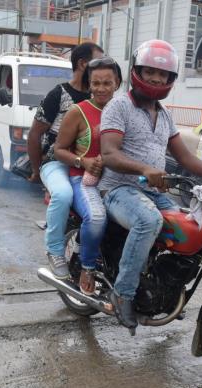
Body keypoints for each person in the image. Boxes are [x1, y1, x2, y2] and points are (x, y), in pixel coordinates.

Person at [99, 40, 202, 329]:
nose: (156, 78)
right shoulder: (119, 106)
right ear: (137, 71)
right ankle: (123, 293)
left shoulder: (165, 116)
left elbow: (185, 157)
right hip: (118, 190)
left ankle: (167, 290)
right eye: (150, 71)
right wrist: (144, 168)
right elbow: (109, 153)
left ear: (171, 79)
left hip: (153, 192)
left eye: (163, 74)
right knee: (148, 220)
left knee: (194, 227)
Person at [27, 41, 105, 280]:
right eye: (98, 61)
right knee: (62, 194)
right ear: (83, 64)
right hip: (57, 162)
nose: (103, 70)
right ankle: (55, 250)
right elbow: (35, 134)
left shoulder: (101, 96)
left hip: (94, 165)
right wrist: (36, 170)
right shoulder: (58, 94)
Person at [51, 57, 122, 295]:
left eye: (107, 83)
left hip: (117, 181)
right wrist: (84, 161)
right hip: (83, 179)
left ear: (118, 84)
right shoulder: (78, 112)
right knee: (97, 218)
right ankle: (87, 267)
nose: (101, 88)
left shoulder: (125, 111)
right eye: (96, 83)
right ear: (89, 85)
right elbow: (58, 150)